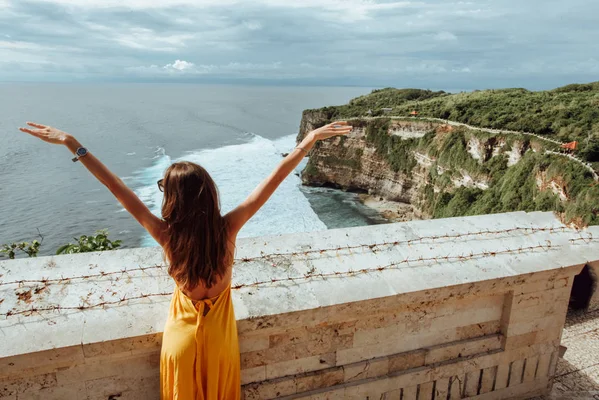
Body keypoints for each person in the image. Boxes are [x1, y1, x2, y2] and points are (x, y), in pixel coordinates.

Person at [19, 120, 352, 400]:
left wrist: (73, 143)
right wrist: (308, 141)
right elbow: (274, 180)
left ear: (171, 199)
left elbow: (115, 187)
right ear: (208, 193)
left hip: (181, 345)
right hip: (220, 345)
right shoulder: (228, 229)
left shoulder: (165, 235)